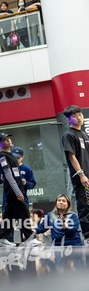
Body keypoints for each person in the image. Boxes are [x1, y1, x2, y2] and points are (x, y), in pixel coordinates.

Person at [0, 132, 40, 247]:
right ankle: (29, 238)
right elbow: (8, 174)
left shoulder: (10, 155)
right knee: (23, 212)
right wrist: (17, 191)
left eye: (8, 138)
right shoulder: (3, 156)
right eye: (4, 140)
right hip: (13, 190)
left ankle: (2, 238)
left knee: (9, 214)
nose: (8, 140)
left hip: (15, 190)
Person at [61, 105, 89, 245]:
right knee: (84, 206)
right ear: (68, 119)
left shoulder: (84, 134)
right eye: (75, 116)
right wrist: (81, 174)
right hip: (81, 178)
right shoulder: (69, 135)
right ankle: (87, 236)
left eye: (80, 115)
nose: (79, 118)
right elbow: (72, 157)